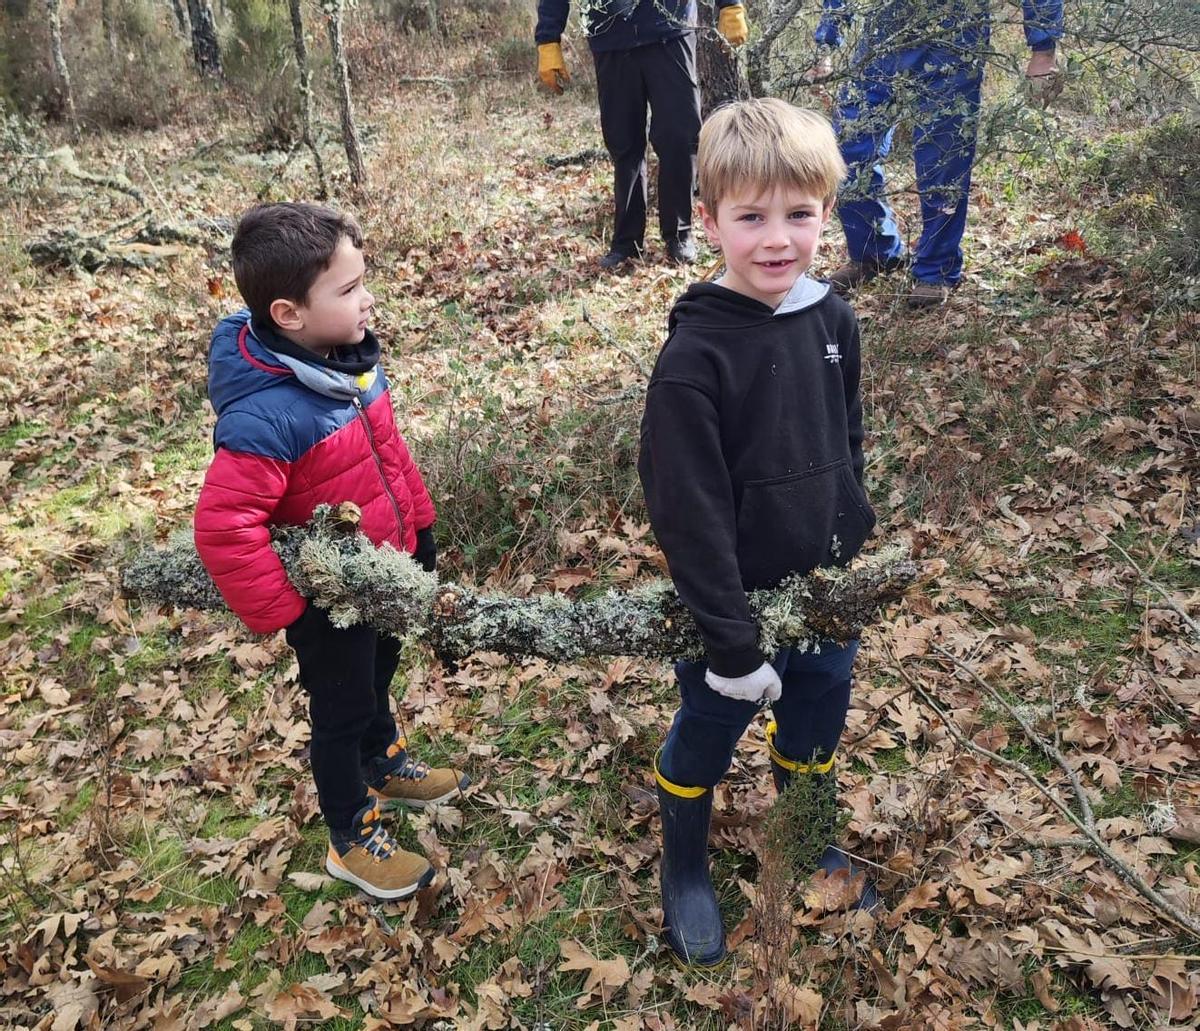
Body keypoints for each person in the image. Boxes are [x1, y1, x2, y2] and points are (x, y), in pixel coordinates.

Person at [638, 98, 878, 968]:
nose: (778, 238)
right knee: (706, 729)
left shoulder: (833, 318)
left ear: (824, 212)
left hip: (825, 593)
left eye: (800, 214)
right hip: (729, 609)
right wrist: (733, 644)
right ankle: (686, 866)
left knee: (815, 726)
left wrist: (853, 523)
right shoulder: (694, 362)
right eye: (751, 217)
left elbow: (845, 433)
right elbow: (687, 513)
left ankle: (808, 842)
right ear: (708, 220)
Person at [193, 203, 469, 901]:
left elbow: (389, 457)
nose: (366, 298)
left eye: (362, 280)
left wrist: (420, 529)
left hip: (383, 572)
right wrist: (294, 611)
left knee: (382, 667)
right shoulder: (266, 415)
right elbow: (225, 527)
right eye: (347, 291)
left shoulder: (347, 363)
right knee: (339, 710)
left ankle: (384, 758)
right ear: (288, 313)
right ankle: (351, 833)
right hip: (331, 601)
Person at [815, 0, 1064, 307]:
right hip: (884, 29)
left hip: (955, 30)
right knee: (848, 146)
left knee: (943, 156)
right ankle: (874, 252)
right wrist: (827, 38)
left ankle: (936, 269)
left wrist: (1044, 48)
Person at [535, 0, 750, 268]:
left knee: (680, 136)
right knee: (623, 142)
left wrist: (730, 5)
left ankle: (679, 235)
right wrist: (548, 38)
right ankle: (626, 242)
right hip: (609, 33)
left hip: (670, 26)